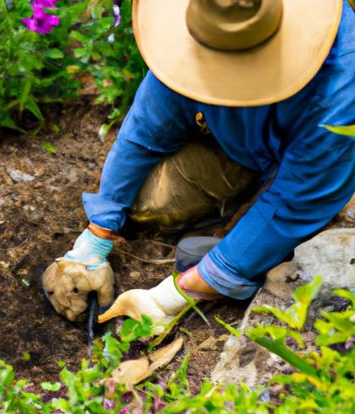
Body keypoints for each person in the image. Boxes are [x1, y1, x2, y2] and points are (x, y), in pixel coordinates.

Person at [43, 0, 355, 328]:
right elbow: (145, 129)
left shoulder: (341, 86)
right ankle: (240, 206)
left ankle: (248, 215)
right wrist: (95, 238)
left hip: (313, 159)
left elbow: (294, 205)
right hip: (234, 142)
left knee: (261, 235)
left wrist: (177, 294)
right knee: (148, 204)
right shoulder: (194, 30)